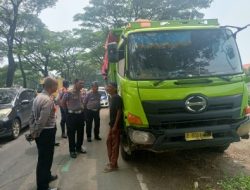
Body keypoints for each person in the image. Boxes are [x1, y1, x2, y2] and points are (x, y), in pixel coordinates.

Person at [30, 77, 59, 190]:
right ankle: (42, 186)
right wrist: (36, 132)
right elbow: (42, 120)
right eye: (56, 85)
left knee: (47, 157)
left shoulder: (38, 97)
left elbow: (32, 116)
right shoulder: (47, 100)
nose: (57, 88)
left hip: (42, 132)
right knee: (44, 159)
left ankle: (47, 176)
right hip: (46, 132)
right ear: (50, 86)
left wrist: (33, 131)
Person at [61, 79, 86, 158]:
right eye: (80, 83)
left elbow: (82, 102)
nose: (82, 85)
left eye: (83, 83)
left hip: (80, 115)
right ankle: (72, 150)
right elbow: (62, 103)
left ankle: (78, 147)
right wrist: (67, 111)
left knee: (80, 132)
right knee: (71, 134)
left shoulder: (82, 92)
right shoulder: (69, 92)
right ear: (75, 83)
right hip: (71, 116)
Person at [104, 82, 123, 173]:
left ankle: (113, 165)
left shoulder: (117, 98)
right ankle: (113, 163)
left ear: (115, 89)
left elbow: (119, 112)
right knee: (109, 142)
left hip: (116, 126)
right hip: (112, 125)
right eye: (107, 86)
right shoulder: (112, 98)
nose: (107, 88)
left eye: (109, 87)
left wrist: (115, 126)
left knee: (114, 145)